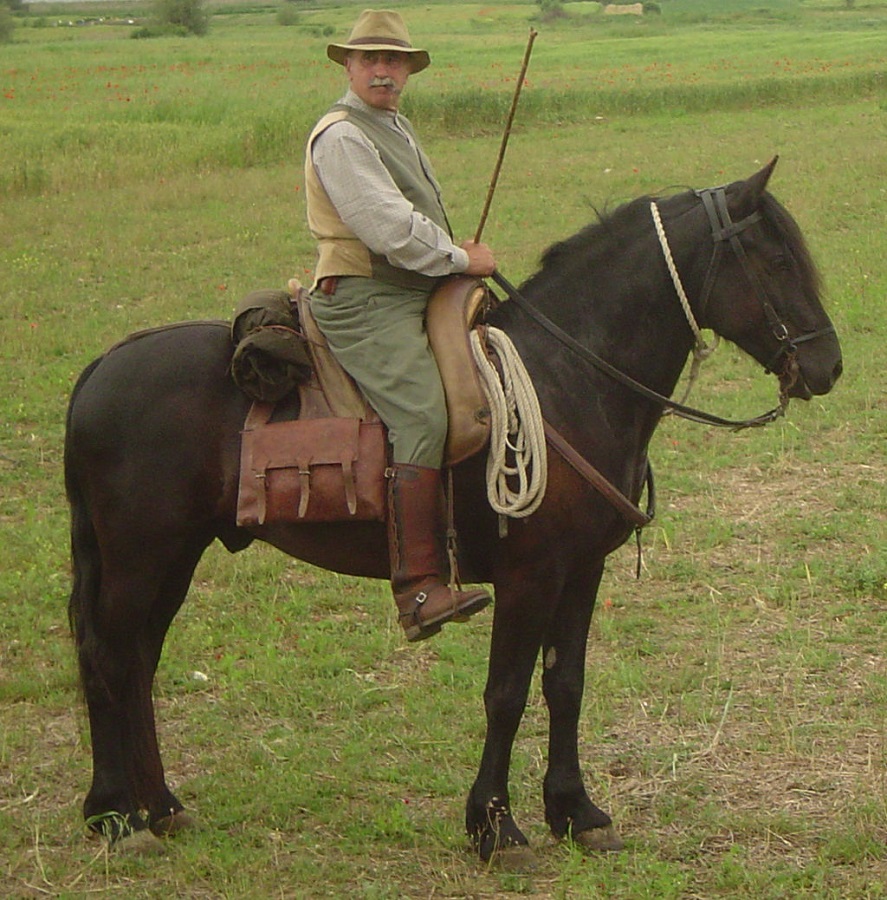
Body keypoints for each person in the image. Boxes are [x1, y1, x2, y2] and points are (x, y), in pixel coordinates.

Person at [304, 9, 496, 642]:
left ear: (408, 70)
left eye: (395, 60)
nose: (383, 69)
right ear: (350, 67)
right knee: (421, 413)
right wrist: (460, 258)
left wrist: (449, 261)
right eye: (370, 60)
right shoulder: (341, 135)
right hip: (366, 296)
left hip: (413, 286)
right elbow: (386, 228)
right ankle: (419, 588)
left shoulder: (394, 125)